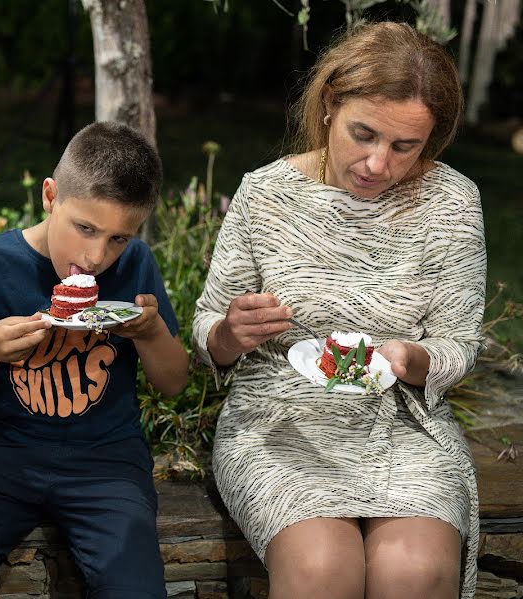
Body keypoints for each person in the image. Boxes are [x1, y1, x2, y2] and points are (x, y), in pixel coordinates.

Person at [193, 22, 485, 599]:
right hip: (280, 424)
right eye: (364, 134)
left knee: (415, 574)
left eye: (406, 147)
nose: (378, 163)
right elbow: (207, 334)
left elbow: (459, 341)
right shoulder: (265, 194)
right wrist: (231, 331)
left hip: (402, 427)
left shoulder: (452, 202)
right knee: (322, 574)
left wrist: (415, 357)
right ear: (330, 105)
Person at [0, 121, 189, 598]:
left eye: (118, 237)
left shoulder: (136, 264)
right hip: (5, 453)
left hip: (107, 461)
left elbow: (174, 382)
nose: (98, 254)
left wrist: (151, 331)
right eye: (85, 228)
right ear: (49, 195)